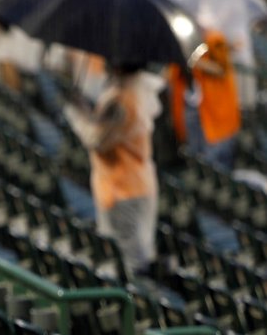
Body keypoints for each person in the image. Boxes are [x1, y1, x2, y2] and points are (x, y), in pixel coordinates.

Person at [64, 64, 165, 279]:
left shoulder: (124, 101)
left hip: (124, 191)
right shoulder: (126, 93)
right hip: (124, 186)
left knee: (131, 264)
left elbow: (97, 139)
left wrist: (75, 114)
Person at [167, 29, 241, 169]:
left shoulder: (213, 38)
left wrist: (193, 60)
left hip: (216, 113)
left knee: (217, 157)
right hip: (191, 107)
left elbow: (221, 69)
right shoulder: (181, 40)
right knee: (197, 155)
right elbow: (172, 74)